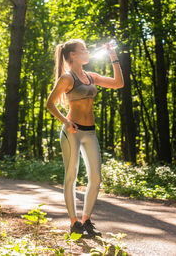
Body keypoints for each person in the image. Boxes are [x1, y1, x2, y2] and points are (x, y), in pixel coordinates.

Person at [46, 39, 124, 237]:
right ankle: (74, 223)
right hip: (72, 131)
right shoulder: (67, 78)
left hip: (90, 132)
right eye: (83, 49)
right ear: (72, 54)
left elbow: (118, 83)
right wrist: (65, 121)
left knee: (96, 178)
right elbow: (50, 104)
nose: (87, 51)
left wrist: (114, 56)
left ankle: (86, 220)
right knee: (71, 176)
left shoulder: (91, 76)